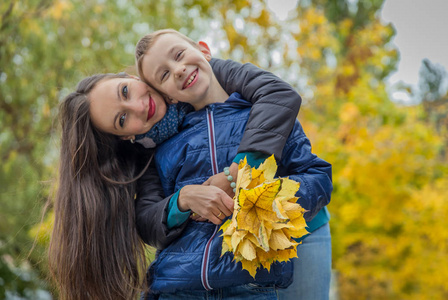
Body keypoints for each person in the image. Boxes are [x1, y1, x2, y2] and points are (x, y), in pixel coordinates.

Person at [49, 54, 303, 299]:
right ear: (125, 137)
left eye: (125, 91)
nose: (138, 106)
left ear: (131, 77)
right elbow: (147, 219)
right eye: (123, 119)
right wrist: (182, 200)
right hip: (185, 284)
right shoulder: (147, 153)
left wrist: (237, 174)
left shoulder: (209, 81)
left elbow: (279, 97)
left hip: (274, 251)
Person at [134, 29, 333, 299]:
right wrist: (182, 203)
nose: (178, 70)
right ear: (166, 96)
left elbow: (319, 177)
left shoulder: (263, 114)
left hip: (266, 270)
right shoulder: (166, 147)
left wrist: (267, 201)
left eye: (179, 55)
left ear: (204, 50)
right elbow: (149, 219)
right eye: (164, 75)